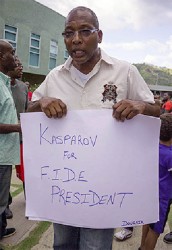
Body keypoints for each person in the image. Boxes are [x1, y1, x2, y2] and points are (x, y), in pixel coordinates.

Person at [28, 6, 160, 250]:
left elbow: (156, 110)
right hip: (64, 188)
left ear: (99, 36)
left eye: (84, 31)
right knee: (63, 244)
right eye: (68, 33)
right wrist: (42, 102)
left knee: (95, 246)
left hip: (104, 190)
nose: (76, 39)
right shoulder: (55, 76)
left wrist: (140, 105)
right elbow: (30, 110)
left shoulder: (125, 72)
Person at [139, 113, 172, 250]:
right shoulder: (170, 155)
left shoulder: (152, 147)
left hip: (150, 192)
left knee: (147, 222)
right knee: (156, 231)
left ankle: (142, 246)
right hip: (163, 198)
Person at [0, 39, 21, 240]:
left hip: (4, 156)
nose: (15, 57)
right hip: (0, 157)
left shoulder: (4, 83)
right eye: (11, 52)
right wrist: (18, 127)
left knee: (1, 202)